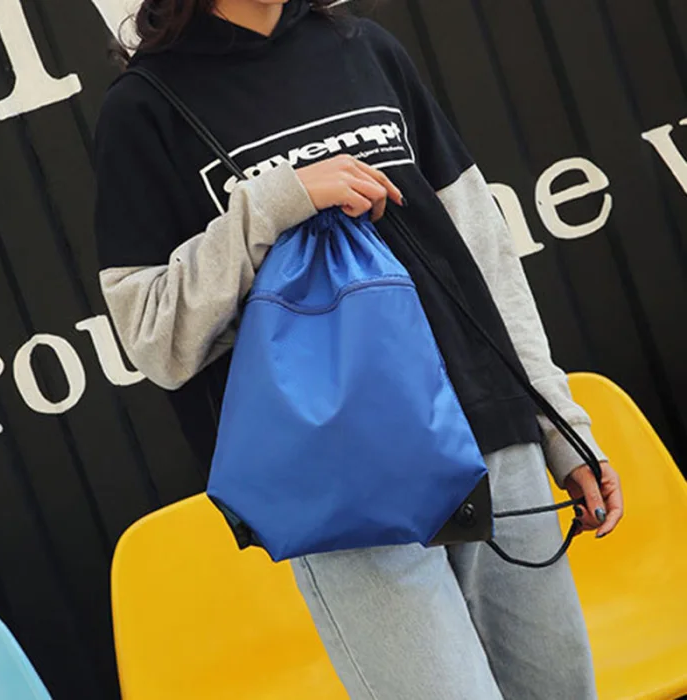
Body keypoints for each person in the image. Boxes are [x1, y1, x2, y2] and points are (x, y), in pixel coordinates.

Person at [94, 1, 624, 697]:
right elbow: (152, 336)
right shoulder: (144, 109)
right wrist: (273, 203)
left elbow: (485, 254)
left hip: (491, 432)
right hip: (346, 486)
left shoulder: (365, 49)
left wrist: (559, 427)